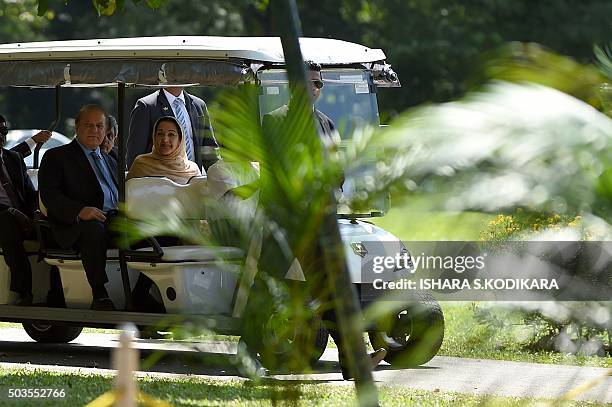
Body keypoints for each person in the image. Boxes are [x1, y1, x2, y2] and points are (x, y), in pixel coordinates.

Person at [261, 61, 385, 379]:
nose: (313, 89)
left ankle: (350, 361)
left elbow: (337, 172)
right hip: (286, 222)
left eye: (318, 84)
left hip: (318, 222)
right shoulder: (275, 121)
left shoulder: (327, 123)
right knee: (264, 290)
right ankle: (246, 354)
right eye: (307, 83)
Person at [38, 105, 118, 311]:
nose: (95, 131)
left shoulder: (111, 158)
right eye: (88, 125)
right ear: (77, 127)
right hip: (74, 225)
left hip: (113, 220)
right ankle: (99, 293)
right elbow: (50, 195)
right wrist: (80, 210)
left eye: (100, 126)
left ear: (106, 129)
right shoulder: (57, 157)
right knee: (93, 229)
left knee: (160, 232)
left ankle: (142, 293)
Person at [127, 87, 218, 171]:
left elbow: (209, 151)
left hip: (194, 181)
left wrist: (221, 180)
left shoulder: (198, 105)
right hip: (160, 183)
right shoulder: (146, 106)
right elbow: (135, 157)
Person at [0, 122, 38, 305]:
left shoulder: (13, 158)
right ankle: (23, 291)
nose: (1, 135)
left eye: (3, 131)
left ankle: (58, 291)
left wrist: (36, 213)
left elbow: (30, 194)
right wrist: (11, 211)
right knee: (6, 221)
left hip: (22, 216)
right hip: (4, 218)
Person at [126, 116, 200, 184]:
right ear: (154, 137)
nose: (165, 140)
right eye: (160, 134)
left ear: (180, 140)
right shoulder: (141, 164)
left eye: (171, 134)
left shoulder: (192, 169)